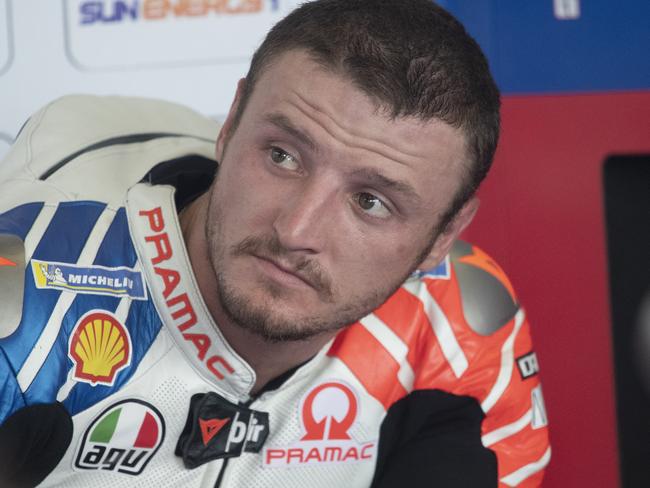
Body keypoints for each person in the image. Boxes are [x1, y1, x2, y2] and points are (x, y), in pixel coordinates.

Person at [0, 0, 550, 486]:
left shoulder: (456, 333)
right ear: (232, 120)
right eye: (282, 155)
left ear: (443, 237)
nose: (296, 231)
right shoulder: (28, 308)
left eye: (370, 202)